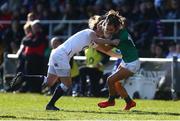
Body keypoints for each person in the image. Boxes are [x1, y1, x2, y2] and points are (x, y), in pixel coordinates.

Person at [11, 15, 119, 111]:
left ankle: (23, 77)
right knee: (67, 84)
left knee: (49, 82)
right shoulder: (90, 33)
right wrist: (112, 41)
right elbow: (100, 42)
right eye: (101, 25)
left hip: (57, 53)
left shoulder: (92, 39)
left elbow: (104, 49)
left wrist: (120, 54)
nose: (104, 27)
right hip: (62, 55)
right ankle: (50, 105)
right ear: (96, 27)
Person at [97, 10, 140, 110]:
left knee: (110, 80)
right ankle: (129, 102)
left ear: (116, 28)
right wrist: (101, 36)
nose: (109, 31)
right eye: (107, 29)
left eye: (111, 30)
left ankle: (111, 101)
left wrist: (96, 40)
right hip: (127, 61)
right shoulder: (118, 32)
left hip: (132, 63)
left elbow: (106, 49)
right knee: (116, 83)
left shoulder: (119, 37)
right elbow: (106, 43)